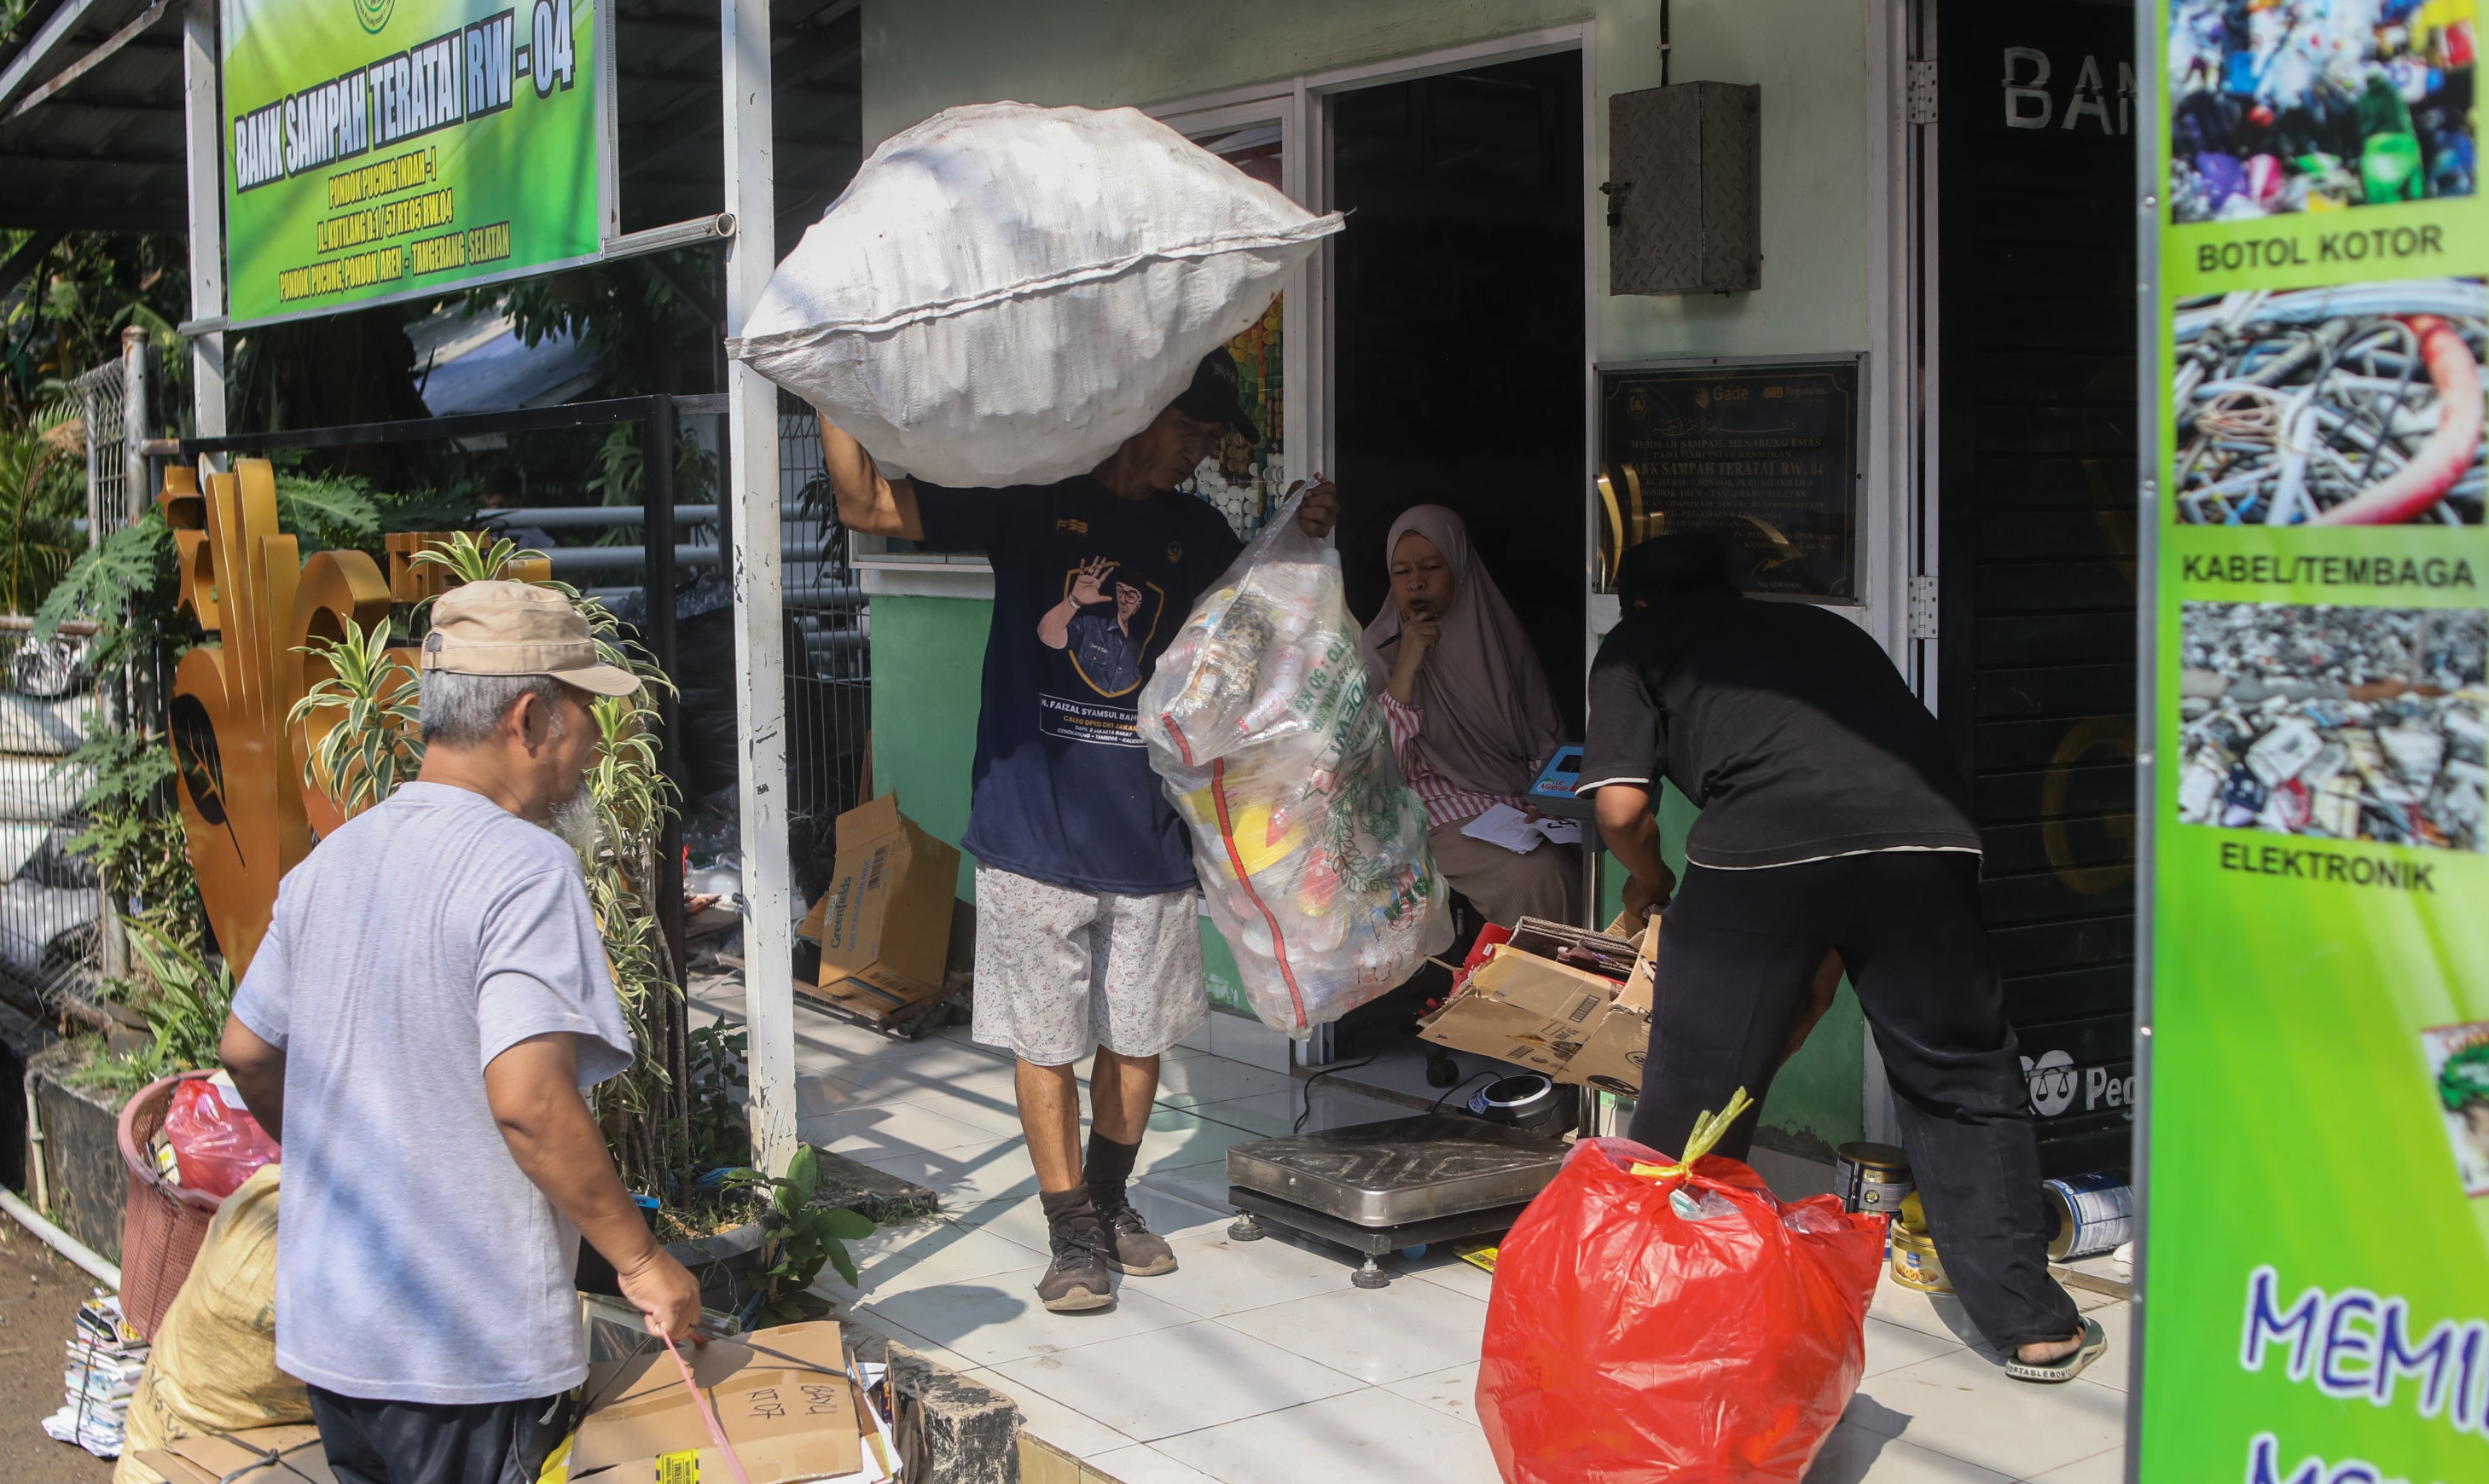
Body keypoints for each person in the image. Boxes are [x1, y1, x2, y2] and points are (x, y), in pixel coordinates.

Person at [217, 581, 705, 1484]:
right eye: (584, 719)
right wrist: (642, 1260)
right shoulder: (521, 870)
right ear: (528, 719)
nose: (590, 751)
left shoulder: (333, 861)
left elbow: (246, 1051)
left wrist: (343, 1158)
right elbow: (531, 1098)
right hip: (461, 1345)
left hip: (343, 1331)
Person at [821, 349, 1340, 1313]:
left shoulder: (1195, 531)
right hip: (1033, 829)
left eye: (1213, 440)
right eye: (1190, 430)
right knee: (1045, 1038)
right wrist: (827, 378)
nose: (1197, 455)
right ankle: (1070, 1231)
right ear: (1145, 410)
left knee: (1137, 1039)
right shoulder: (1031, 500)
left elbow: (1266, 622)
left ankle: (1107, 1199)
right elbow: (866, 505)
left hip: (1148, 837)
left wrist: (1303, 535)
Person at [1577, 533, 2103, 1384]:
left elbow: (1621, 807)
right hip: (1926, 835)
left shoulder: (1637, 642)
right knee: (1963, 1074)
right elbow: (1848, 817)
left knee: (1696, 1084)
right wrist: (1815, 971)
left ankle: (1649, 1304)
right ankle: (2034, 1325)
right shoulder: (1826, 633)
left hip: (1758, 846)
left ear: (1632, 603)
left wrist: (1653, 876)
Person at [1360, 505, 1579, 928]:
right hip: (1426, 809)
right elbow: (1374, 768)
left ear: (1460, 568)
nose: (1416, 582)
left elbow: (1543, 737)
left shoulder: (1498, 637)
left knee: (1589, 855)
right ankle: (1538, 991)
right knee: (1539, 876)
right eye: (1402, 572)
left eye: (1430, 567)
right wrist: (1406, 667)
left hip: (1515, 803)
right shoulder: (1376, 650)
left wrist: (1546, 800)